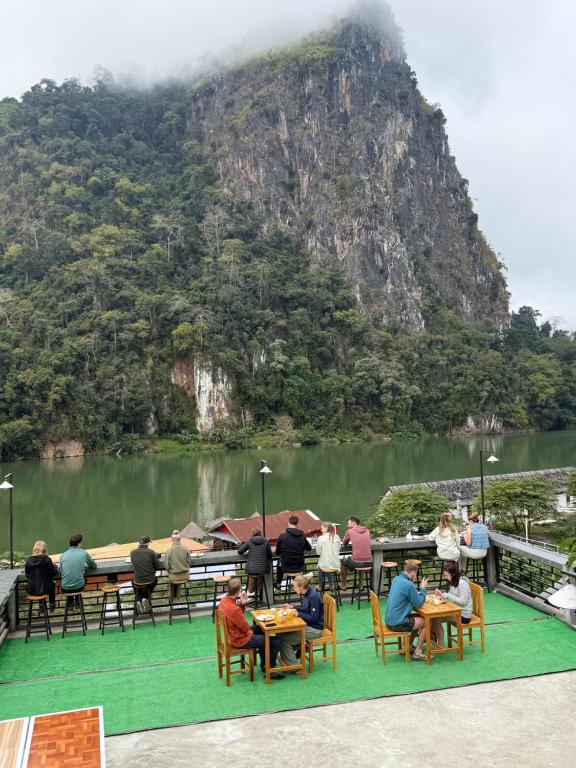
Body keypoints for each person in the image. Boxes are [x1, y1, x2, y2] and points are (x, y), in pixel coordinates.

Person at [218, 577, 284, 679]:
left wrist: (242, 603)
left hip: (233, 634)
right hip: (240, 639)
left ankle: (264, 664)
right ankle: (270, 671)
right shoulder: (234, 609)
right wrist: (251, 633)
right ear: (239, 591)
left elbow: (236, 618)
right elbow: (245, 628)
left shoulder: (223, 601)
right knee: (276, 641)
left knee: (261, 629)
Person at [384, 562, 429, 661]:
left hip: (389, 620)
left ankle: (408, 645)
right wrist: (423, 588)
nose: (415, 576)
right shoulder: (409, 585)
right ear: (413, 573)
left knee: (418, 617)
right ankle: (418, 651)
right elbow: (419, 604)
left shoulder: (396, 579)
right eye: (416, 574)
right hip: (397, 623)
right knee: (427, 621)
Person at [279, 574, 324, 667]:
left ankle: (294, 667)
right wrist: (293, 608)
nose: (293, 589)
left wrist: (298, 614)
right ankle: (294, 654)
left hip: (315, 629)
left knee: (284, 639)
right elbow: (305, 609)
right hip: (308, 625)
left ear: (302, 587)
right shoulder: (306, 594)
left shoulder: (313, 597)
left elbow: (314, 619)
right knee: (281, 634)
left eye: (295, 587)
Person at [431, 562, 473, 648]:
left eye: (446, 575)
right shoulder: (453, 581)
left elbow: (463, 601)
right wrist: (442, 595)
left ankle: (440, 644)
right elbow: (451, 595)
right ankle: (434, 640)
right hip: (456, 610)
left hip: (464, 615)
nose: (445, 577)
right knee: (433, 618)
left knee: (436, 618)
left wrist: (447, 595)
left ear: (453, 574)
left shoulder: (462, 583)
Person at [59, 533, 97, 608]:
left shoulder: (62, 555)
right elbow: (94, 566)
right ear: (78, 544)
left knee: (71, 582)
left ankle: (70, 604)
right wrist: (85, 566)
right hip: (79, 587)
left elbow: (62, 570)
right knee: (78, 582)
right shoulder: (83, 553)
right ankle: (77, 603)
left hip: (65, 588)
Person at [275, 515, 312, 587]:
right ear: (297, 523)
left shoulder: (282, 536)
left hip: (286, 567)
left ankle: (279, 583)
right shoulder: (302, 536)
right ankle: (296, 584)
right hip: (299, 567)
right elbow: (309, 548)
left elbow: (277, 552)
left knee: (279, 562)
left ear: (288, 523)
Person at [24, 540, 58, 612]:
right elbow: (53, 572)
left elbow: (27, 575)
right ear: (45, 549)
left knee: (38, 585)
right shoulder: (47, 560)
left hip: (32, 590)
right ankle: (52, 604)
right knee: (52, 584)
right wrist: (55, 566)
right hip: (45, 589)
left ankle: (41, 605)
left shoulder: (28, 561)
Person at [340, 516, 372, 590]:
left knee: (343, 562)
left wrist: (347, 534)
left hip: (357, 562)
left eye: (348, 523)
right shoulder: (367, 530)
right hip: (369, 562)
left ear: (354, 523)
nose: (347, 525)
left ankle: (343, 585)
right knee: (362, 562)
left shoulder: (350, 531)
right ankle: (360, 585)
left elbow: (344, 543)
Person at [130, 535, 161, 613]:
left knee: (134, 581)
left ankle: (139, 600)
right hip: (150, 580)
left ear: (139, 543)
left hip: (138, 581)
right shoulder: (151, 552)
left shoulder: (132, 553)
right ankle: (145, 598)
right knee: (155, 580)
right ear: (147, 543)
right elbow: (157, 566)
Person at [237, 527, 272, 594]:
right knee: (259, 575)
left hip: (250, 569)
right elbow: (270, 555)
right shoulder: (266, 541)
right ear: (260, 533)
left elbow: (240, 551)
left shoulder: (250, 541)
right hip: (262, 569)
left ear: (252, 533)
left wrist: (250, 552)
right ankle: (258, 591)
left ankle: (251, 591)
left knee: (252, 576)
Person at [164, 530, 191, 601]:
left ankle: (172, 598)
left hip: (174, 577)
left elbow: (166, 566)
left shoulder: (169, 550)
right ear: (180, 539)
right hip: (185, 576)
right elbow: (189, 563)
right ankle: (177, 597)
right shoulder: (186, 548)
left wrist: (170, 570)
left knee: (171, 578)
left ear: (172, 539)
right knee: (176, 577)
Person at [315, 522, 342, 592]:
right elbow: (339, 549)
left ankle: (320, 586)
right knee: (327, 563)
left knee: (321, 566)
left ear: (326, 528)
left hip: (326, 565)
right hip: (336, 564)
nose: (321, 530)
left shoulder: (321, 538)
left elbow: (318, 552)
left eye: (322, 528)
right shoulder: (337, 537)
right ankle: (331, 585)